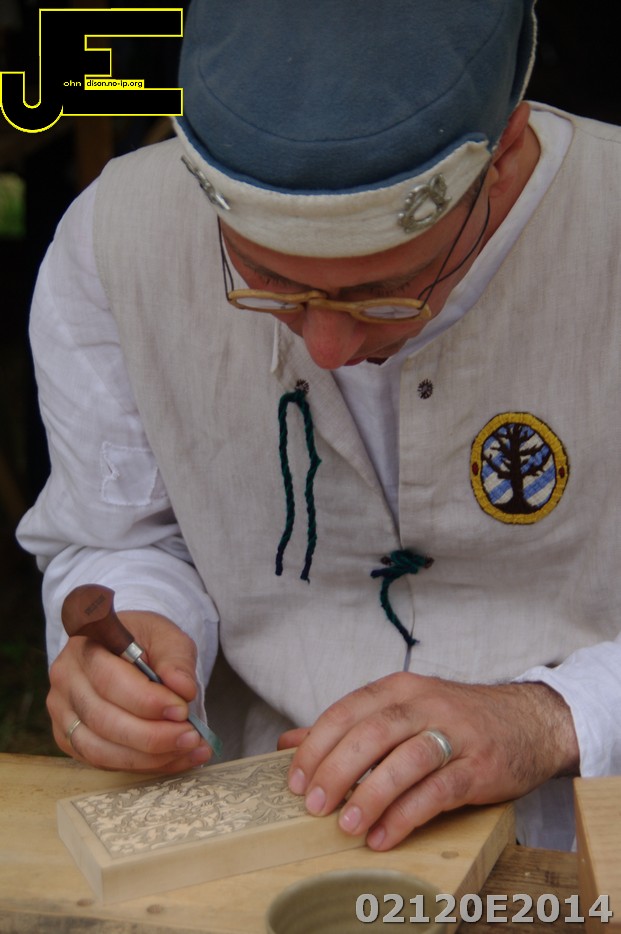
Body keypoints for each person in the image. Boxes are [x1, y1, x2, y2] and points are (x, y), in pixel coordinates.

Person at [16, 0, 621, 853]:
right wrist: (142, 628)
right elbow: (120, 537)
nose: (329, 349)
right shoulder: (117, 239)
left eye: (388, 290)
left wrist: (556, 715)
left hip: (589, 843)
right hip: (261, 835)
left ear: (505, 155)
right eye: (268, 282)